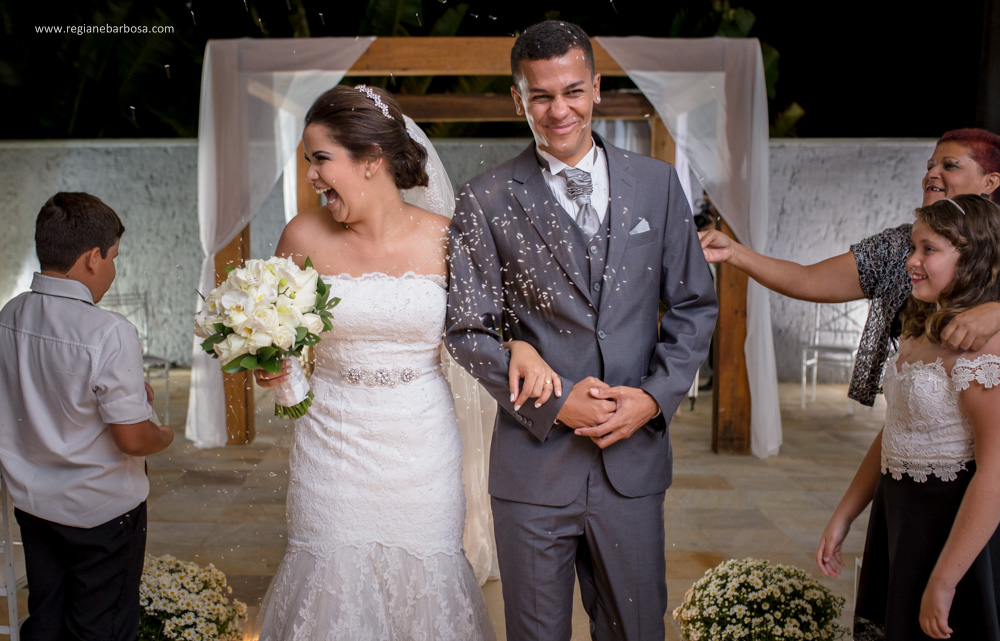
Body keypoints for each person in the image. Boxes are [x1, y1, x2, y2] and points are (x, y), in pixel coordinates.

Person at [251, 84, 557, 640]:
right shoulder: (302, 235)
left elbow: (493, 325)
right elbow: (281, 342)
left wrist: (525, 346)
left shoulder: (448, 237)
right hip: (331, 445)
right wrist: (276, 371)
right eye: (309, 161)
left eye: (321, 159)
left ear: (371, 161)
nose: (313, 176)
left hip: (421, 447)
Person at [445, 20, 717, 640]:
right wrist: (558, 401)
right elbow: (467, 328)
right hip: (534, 464)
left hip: (632, 461)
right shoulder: (485, 199)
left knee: (637, 630)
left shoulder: (656, 184)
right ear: (519, 100)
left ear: (596, 87)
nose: (558, 109)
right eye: (540, 96)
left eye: (571, 91)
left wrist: (652, 399)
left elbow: (694, 305)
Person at [700, 128, 1000, 406]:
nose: (931, 174)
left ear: (990, 181)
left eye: (950, 165)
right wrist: (734, 253)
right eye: (929, 166)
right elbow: (808, 279)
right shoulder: (899, 246)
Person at [816, 194, 1000, 639]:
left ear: (973, 258)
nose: (911, 261)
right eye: (912, 248)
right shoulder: (919, 332)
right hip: (899, 516)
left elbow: (996, 471)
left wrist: (944, 580)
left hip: (951, 523)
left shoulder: (980, 351)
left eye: (929, 250)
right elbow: (896, 431)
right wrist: (845, 513)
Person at [0, 192, 174, 641]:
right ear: (94, 258)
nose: (113, 270)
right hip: (100, 513)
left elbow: (41, 390)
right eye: (114, 257)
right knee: (102, 626)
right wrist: (164, 435)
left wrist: (132, 394)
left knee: (46, 616)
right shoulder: (109, 331)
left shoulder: (10, 314)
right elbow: (132, 439)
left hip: (34, 505)